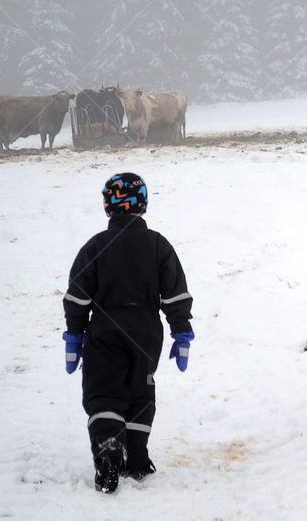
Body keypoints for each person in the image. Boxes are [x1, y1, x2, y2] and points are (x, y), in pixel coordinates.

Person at [62, 172, 194, 492]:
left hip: (105, 331)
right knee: (140, 392)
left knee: (104, 391)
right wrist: (181, 331)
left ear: (108, 207)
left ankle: (109, 448)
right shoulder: (158, 245)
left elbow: (78, 296)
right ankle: (136, 458)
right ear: (144, 204)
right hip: (147, 333)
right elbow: (175, 293)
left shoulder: (95, 246)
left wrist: (74, 335)